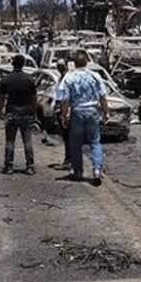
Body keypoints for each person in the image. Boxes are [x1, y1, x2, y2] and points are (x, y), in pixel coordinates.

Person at [60, 49, 109, 184]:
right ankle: (97, 169)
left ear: (74, 64)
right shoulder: (95, 76)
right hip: (92, 111)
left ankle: (78, 171)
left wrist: (63, 115)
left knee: (76, 143)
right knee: (95, 141)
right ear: (87, 62)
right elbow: (102, 96)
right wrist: (106, 112)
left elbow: (64, 99)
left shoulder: (69, 77)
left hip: (77, 112)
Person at [0, 54, 38, 174]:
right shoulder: (29, 79)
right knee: (28, 141)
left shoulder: (6, 80)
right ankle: (30, 165)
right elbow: (34, 98)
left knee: (10, 141)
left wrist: (0, 111)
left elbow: (1, 98)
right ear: (23, 64)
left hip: (12, 113)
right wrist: (34, 113)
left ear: (12, 64)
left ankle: (9, 166)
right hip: (26, 114)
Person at [51, 59, 72, 170]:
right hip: (60, 109)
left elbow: (67, 98)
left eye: (62, 66)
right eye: (58, 66)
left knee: (68, 136)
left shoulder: (67, 79)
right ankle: (68, 159)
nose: (60, 68)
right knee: (65, 136)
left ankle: (69, 160)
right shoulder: (60, 78)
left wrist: (65, 113)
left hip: (65, 110)